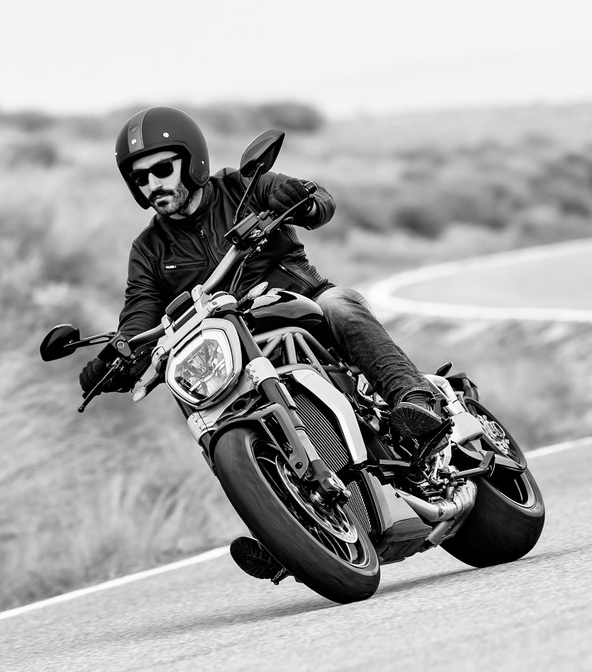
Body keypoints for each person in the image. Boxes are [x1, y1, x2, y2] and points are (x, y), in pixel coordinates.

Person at [78, 106, 450, 457]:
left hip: (303, 305)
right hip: (232, 347)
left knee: (338, 304)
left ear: (191, 162)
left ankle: (416, 400)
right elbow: (140, 314)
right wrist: (117, 357)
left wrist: (301, 201)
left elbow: (321, 200)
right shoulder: (148, 249)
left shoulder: (244, 186)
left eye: (162, 169)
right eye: (140, 178)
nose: (152, 184)